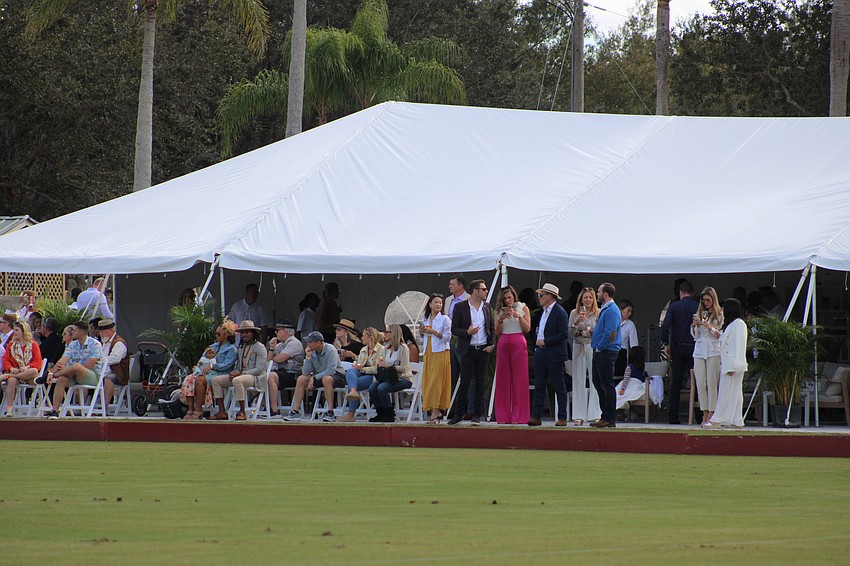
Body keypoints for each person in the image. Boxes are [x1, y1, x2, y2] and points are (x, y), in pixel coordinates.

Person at [448, 279, 495, 426]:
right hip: (468, 349)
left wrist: (492, 344)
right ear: (475, 291)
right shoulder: (461, 307)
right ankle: (458, 414)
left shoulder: (486, 307)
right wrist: (467, 332)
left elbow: (491, 327)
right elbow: (454, 329)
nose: (486, 291)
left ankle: (477, 415)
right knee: (465, 381)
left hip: (483, 349)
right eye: (483, 289)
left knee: (480, 383)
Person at [528, 283, 570, 427]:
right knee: (539, 384)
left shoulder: (559, 312)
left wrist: (546, 341)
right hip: (541, 353)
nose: (539, 298)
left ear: (550, 297)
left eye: (542, 295)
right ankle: (536, 416)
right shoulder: (543, 312)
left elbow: (564, 333)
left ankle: (562, 417)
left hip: (553, 354)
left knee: (559, 385)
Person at [210, 320, 267, 421]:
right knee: (215, 380)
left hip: (255, 377)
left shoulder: (260, 347)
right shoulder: (241, 347)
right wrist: (234, 373)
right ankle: (222, 411)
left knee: (237, 380)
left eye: (247, 332)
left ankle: (242, 411)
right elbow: (238, 366)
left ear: (253, 333)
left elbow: (259, 369)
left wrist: (240, 374)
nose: (244, 334)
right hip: (241, 375)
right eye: (242, 332)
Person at [44, 320, 103, 418]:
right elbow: (62, 361)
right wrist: (51, 372)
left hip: (92, 375)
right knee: (62, 379)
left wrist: (70, 369)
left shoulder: (95, 344)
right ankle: (55, 410)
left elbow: (89, 365)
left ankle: (52, 375)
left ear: (82, 332)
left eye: (74, 330)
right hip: (74, 374)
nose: (72, 333)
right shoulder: (73, 344)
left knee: (76, 366)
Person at [283, 331, 346, 422]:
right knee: (301, 379)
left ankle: (330, 412)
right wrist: (308, 357)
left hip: (337, 376)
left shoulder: (330, 349)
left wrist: (314, 378)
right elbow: (305, 372)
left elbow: (331, 370)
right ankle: (295, 412)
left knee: (327, 379)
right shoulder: (312, 352)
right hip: (320, 376)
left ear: (318, 343)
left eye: (310, 342)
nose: (308, 344)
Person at [704, 299, 748, 429]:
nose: (722, 311)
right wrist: (709, 328)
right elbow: (721, 337)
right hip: (729, 363)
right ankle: (736, 419)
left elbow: (738, 346)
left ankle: (716, 419)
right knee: (735, 393)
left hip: (733, 363)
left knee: (725, 392)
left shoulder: (739, 324)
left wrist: (732, 365)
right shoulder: (731, 324)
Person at [660, 280, 699, 424]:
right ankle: (698, 415)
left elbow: (665, 327)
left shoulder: (674, 307)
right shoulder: (698, 306)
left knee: (676, 382)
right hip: (694, 346)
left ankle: (673, 416)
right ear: (692, 293)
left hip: (677, 346)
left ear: (680, 293)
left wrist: (666, 343)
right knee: (696, 380)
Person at [181, 322, 238, 420]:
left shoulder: (231, 349)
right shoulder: (213, 346)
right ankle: (190, 409)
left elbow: (227, 365)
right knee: (189, 378)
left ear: (226, 335)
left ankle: (198, 410)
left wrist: (212, 366)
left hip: (221, 373)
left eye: (218, 334)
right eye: (215, 334)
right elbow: (202, 359)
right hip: (206, 371)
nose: (216, 336)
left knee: (200, 380)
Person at [493, 285, 530, 424]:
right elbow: (497, 332)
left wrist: (519, 316)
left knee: (520, 380)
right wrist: (501, 319)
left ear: (514, 296)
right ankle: (503, 416)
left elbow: (527, 329)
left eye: (510, 297)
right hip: (504, 342)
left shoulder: (523, 308)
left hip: (518, 341)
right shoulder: (498, 311)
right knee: (503, 380)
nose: (508, 301)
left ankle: (519, 416)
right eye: (505, 299)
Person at [590, 282, 622, 428]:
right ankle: (605, 416)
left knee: (606, 384)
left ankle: (610, 418)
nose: (597, 294)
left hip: (606, 351)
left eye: (599, 291)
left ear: (605, 294)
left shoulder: (612, 310)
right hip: (601, 350)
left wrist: (599, 347)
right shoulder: (606, 309)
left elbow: (610, 332)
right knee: (599, 383)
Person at [569, 287, 601, 426]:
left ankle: (595, 414)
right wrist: (576, 323)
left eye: (590, 297)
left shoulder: (598, 313)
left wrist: (589, 331)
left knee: (595, 379)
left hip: (591, 345)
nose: (588, 300)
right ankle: (578, 415)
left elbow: (599, 330)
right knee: (578, 379)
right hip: (578, 345)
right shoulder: (574, 313)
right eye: (585, 297)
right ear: (581, 299)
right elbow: (570, 333)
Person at [368, 324, 413, 422]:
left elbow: (404, 368)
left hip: (403, 378)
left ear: (394, 334)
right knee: (372, 387)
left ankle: (389, 413)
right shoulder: (386, 348)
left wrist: (389, 367)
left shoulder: (403, 348)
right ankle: (380, 413)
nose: (385, 334)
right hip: (388, 377)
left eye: (387, 332)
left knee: (382, 388)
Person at [339, 327, 384, 422]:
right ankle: (353, 392)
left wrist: (362, 369)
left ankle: (351, 413)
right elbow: (359, 363)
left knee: (352, 385)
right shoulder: (363, 349)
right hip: (362, 373)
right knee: (351, 372)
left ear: (370, 337)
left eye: (363, 336)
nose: (361, 338)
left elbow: (378, 368)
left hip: (374, 376)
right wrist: (357, 366)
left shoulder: (381, 350)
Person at [692, 287, 723, 424]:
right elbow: (695, 336)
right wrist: (694, 326)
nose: (706, 303)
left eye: (708, 300)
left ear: (713, 299)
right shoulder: (699, 313)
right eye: (704, 300)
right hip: (699, 350)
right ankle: (704, 411)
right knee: (700, 382)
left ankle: (712, 412)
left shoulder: (720, 314)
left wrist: (708, 327)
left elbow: (719, 335)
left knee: (712, 382)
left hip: (713, 350)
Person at [419, 294, 452, 423]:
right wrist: (422, 333)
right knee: (428, 381)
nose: (438, 304)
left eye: (440, 303)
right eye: (436, 302)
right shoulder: (425, 318)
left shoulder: (445, 319)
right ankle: (434, 409)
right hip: (429, 352)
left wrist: (435, 333)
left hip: (441, 352)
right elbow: (423, 338)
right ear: (430, 304)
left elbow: (448, 337)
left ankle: (436, 410)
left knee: (436, 382)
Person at [1, 320, 43, 416]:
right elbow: (6, 360)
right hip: (15, 372)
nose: (14, 332)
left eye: (17, 330)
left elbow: (38, 362)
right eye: (14, 330)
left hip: (28, 374)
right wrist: (11, 368)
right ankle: (9, 408)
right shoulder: (11, 345)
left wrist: (27, 367)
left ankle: (8, 375)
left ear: (23, 331)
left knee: (34, 370)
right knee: (11, 381)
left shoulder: (33, 345)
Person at [267, 321, 304, 417]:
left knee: (271, 376)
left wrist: (273, 359)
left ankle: (274, 409)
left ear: (285, 331)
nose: (275, 333)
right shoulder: (279, 345)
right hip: (282, 373)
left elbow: (279, 359)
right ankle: (264, 405)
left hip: (294, 374)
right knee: (265, 375)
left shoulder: (294, 343)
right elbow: (268, 363)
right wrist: (271, 348)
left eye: (277, 330)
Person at [444, 275, 469, 404]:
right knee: (452, 374)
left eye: (452, 284)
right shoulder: (448, 300)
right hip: (449, 340)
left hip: (463, 339)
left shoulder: (469, 299)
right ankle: (452, 406)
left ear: (461, 286)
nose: (449, 286)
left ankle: (466, 406)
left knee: (465, 373)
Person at [97, 318, 129, 411]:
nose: (101, 333)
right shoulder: (104, 343)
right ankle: (83, 406)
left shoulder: (119, 343)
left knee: (108, 379)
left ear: (112, 330)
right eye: (100, 331)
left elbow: (115, 359)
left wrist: (100, 361)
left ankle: (104, 407)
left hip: (117, 372)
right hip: (102, 370)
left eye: (104, 331)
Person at [615, 345, 648, 410]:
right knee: (631, 393)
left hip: (631, 384)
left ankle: (623, 403)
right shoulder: (641, 367)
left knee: (617, 393)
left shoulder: (629, 367)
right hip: (639, 385)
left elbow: (626, 379)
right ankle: (626, 402)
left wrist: (623, 388)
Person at [614, 299, 639, 377]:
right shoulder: (613, 321)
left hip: (621, 353)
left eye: (631, 312)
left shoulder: (630, 325)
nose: (629, 313)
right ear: (621, 310)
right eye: (628, 311)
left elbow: (634, 344)